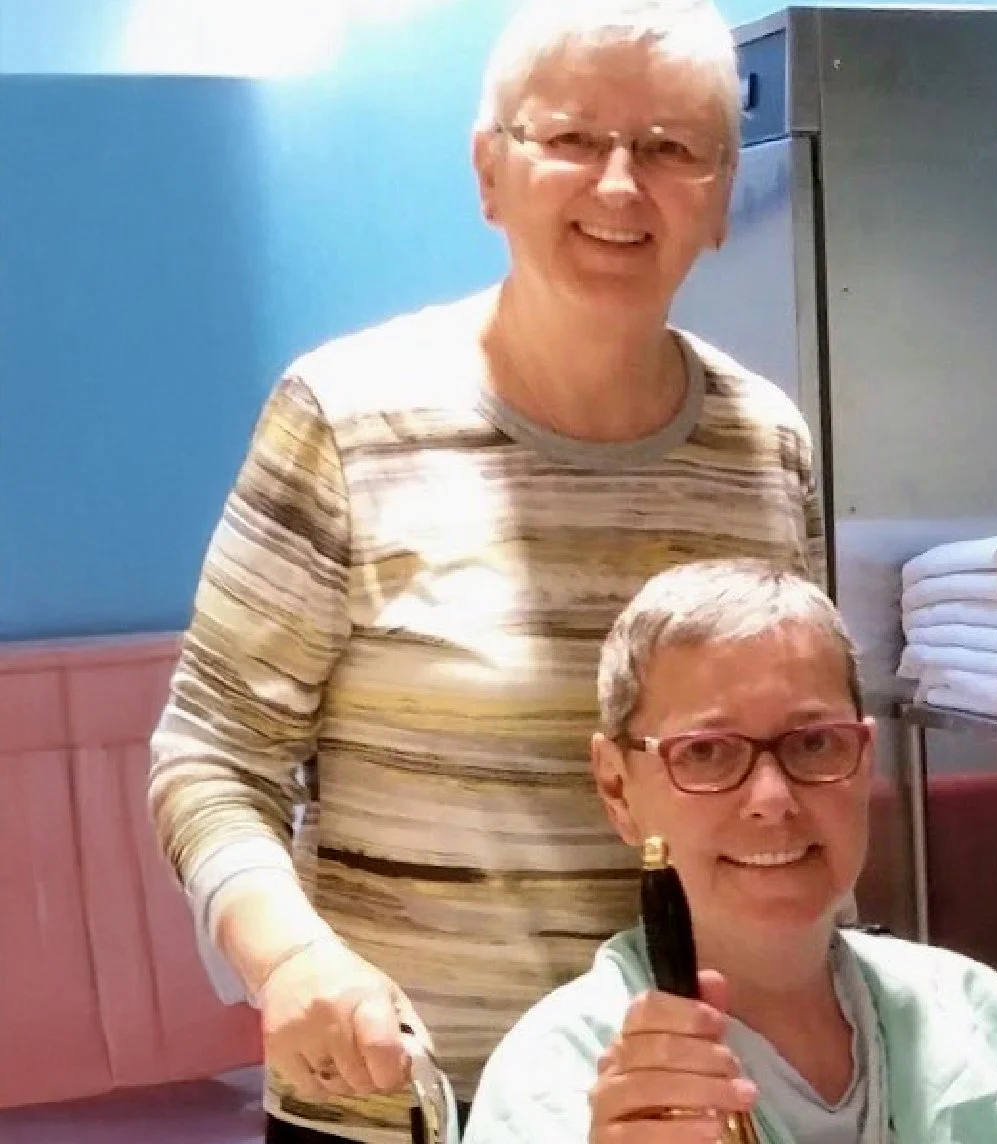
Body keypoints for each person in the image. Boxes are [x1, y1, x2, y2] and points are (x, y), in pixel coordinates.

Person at [146, 0, 824, 1139]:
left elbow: (786, 778)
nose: (619, 184)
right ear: (489, 173)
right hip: (401, 1104)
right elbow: (210, 756)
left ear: (718, 198)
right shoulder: (344, 417)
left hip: (680, 1105)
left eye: (669, 149)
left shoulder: (766, 446)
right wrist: (291, 958)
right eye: (571, 138)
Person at [464, 559, 997, 1144]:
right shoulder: (557, 1077)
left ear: (865, 760)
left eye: (814, 743)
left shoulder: (959, 1010)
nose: (770, 797)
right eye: (705, 753)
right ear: (616, 788)